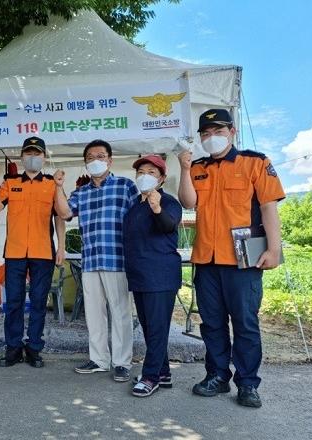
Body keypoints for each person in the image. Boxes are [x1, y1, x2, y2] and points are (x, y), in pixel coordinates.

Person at [178, 108, 285, 408]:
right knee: (211, 323)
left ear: (232, 132)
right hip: (207, 259)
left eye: (218, 131)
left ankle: (248, 383)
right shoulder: (197, 167)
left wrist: (274, 249)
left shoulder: (255, 162)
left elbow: (268, 208)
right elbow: (188, 201)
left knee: (245, 323)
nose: (212, 137)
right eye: (206, 133)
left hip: (243, 260)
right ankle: (217, 375)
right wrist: (184, 169)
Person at [54, 139, 139, 382]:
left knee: (120, 313)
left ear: (110, 161)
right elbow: (64, 212)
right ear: (85, 163)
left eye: (100, 156)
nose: (95, 161)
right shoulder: (81, 192)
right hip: (91, 261)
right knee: (93, 313)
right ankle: (99, 359)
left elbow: (139, 218)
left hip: (117, 260)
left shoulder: (125, 186)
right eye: (90, 158)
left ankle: (121, 362)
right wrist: (58, 187)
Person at [0, 136, 66, 368]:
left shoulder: (52, 183)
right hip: (15, 251)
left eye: (37, 153)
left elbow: (60, 216)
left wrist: (61, 246)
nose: (33, 157)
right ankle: (13, 347)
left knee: (39, 301)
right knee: (14, 302)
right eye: (28, 153)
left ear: (44, 157)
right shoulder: (11, 182)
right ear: (22, 157)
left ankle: (34, 348)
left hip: (43, 252)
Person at [123, 155, 182, 397]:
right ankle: (163, 373)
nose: (144, 176)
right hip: (139, 275)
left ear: (162, 178)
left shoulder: (169, 202)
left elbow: (168, 225)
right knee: (149, 328)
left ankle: (150, 377)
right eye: (141, 172)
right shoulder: (135, 205)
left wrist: (157, 208)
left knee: (157, 328)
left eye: (151, 172)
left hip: (160, 275)